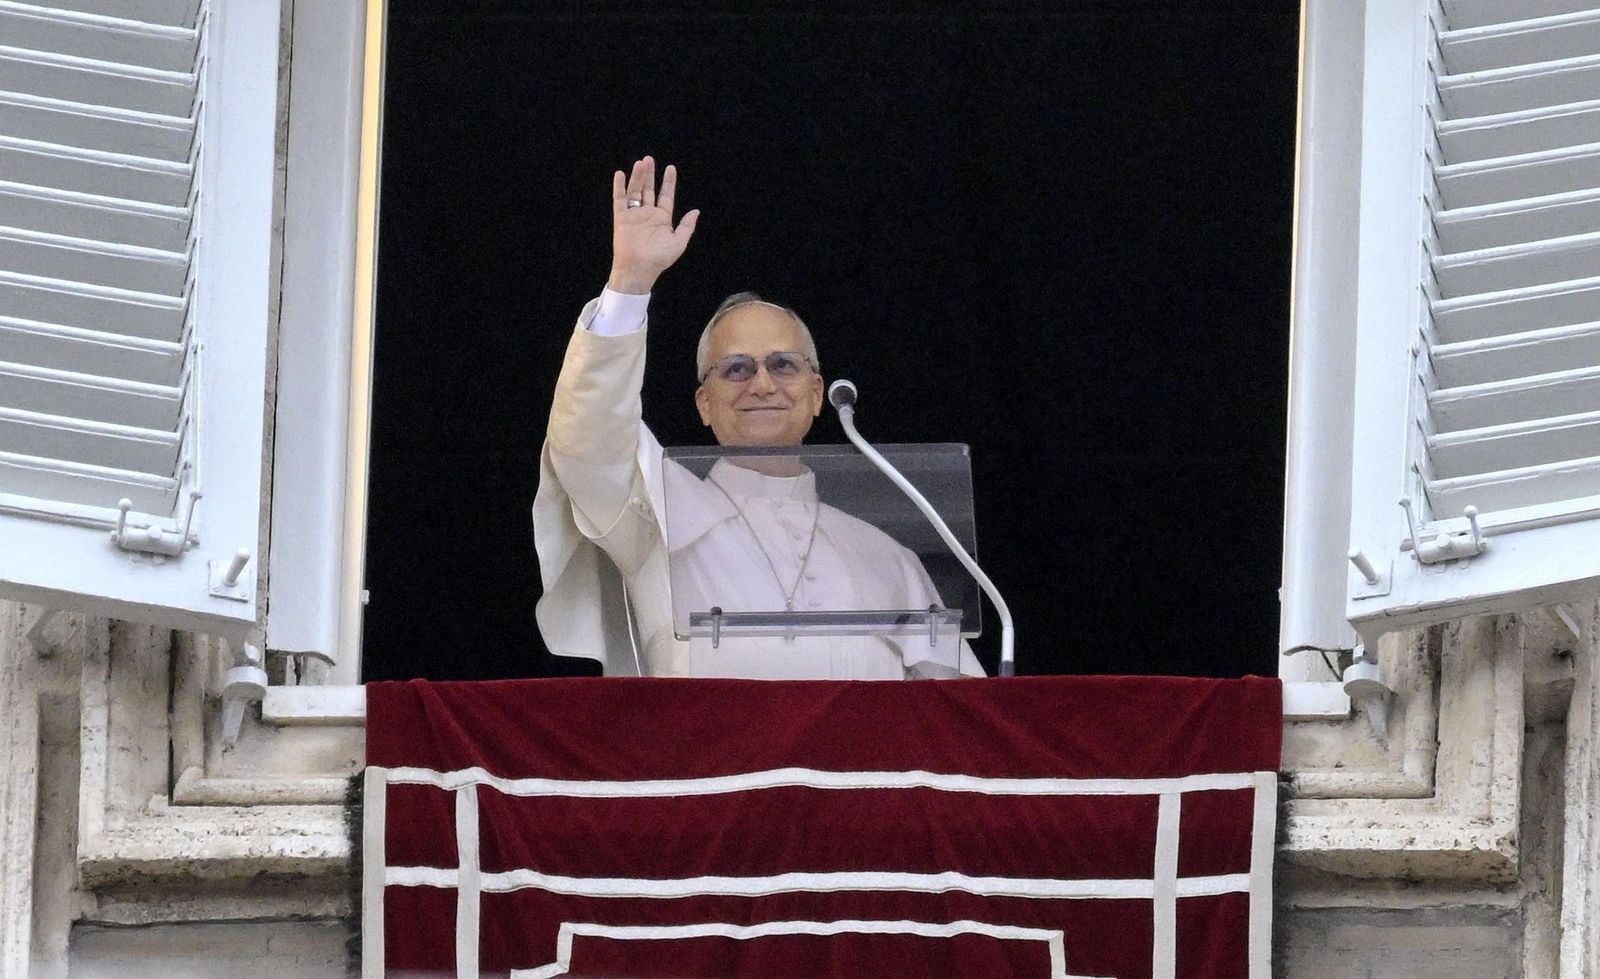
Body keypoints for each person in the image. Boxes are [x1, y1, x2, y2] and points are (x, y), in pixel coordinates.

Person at [533, 157, 984, 679]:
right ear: (704, 403)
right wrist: (630, 284)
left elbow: (958, 716)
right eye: (737, 368)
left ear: (817, 395)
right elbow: (586, 441)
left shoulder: (888, 555)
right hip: (709, 760)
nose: (763, 384)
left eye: (784, 365)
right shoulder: (655, 512)